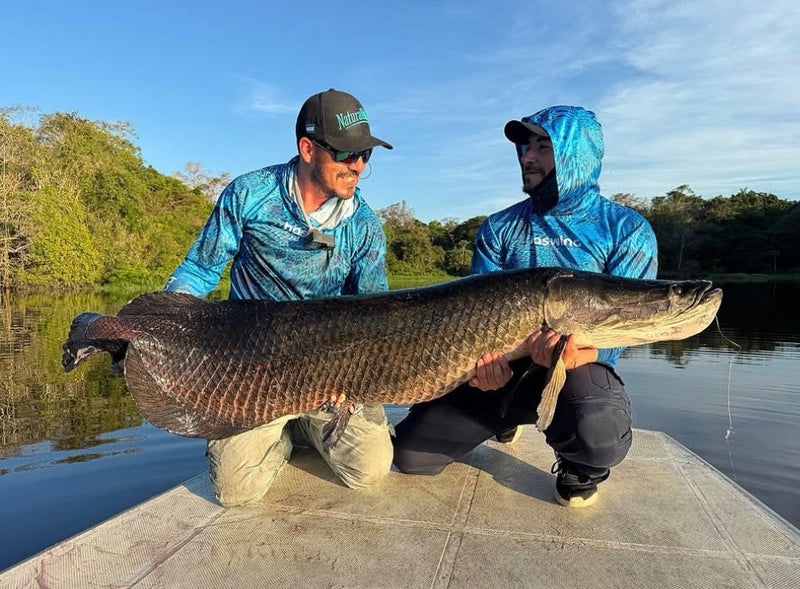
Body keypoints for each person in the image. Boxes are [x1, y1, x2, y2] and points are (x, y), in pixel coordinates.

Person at [392, 105, 658, 508]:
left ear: (576, 153)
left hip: (576, 372)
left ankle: (580, 468)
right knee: (411, 456)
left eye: (543, 146)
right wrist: (480, 368)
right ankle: (502, 419)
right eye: (524, 146)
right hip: (503, 373)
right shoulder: (499, 228)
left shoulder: (626, 230)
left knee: (597, 433)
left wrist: (582, 353)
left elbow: (622, 330)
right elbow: (471, 320)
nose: (526, 157)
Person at [165, 89, 394, 507]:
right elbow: (200, 270)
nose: (357, 166)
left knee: (369, 471)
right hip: (255, 367)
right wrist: (163, 320)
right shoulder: (250, 195)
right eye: (346, 154)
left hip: (332, 371)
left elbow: (375, 311)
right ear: (308, 148)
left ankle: (306, 424)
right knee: (236, 493)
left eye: (365, 155)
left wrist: (358, 379)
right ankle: (281, 429)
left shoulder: (364, 226)